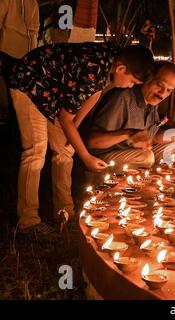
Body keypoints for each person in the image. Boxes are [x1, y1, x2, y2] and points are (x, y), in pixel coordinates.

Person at [8, 43, 154, 235]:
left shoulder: (111, 57)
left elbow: (93, 95)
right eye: (132, 82)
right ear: (121, 69)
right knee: (36, 150)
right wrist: (85, 157)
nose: (130, 86)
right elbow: (66, 118)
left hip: (52, 90)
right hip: (29, 81)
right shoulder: (92, 73)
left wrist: (73, 130)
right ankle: (28, 221)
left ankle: (64, 211)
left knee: (65, 150)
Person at [86, 61, 175, 169]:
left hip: (133, 153)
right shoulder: (122, 98)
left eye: (169, 90)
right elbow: (92, 142)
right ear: (148, 78)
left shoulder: (151, 102)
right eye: (159, 85)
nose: (162, 94)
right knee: (146, 157)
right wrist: (128, 134)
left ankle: (155, 186)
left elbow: (154, 137)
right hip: (104, 156)